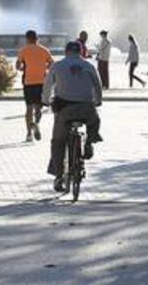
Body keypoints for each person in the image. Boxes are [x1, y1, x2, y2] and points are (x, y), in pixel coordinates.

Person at [43, 40, 103, 192]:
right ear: (81, 52)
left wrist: (45, 101)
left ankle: (58, 176)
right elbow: (98, 85)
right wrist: (98, 101)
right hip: (86, 109)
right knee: (94, 121)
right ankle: (90, 141)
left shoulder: (57, 65)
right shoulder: (89, 66)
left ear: (66, 51)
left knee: (58, 142)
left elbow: (47, 85)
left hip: (65, 110)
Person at [16, 30, 54, 142]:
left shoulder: (23, 50)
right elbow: (52, 63)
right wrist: (44, 68)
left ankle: (29, 134)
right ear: (37, 38)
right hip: (41, 82)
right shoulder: (44, 50)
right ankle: (36, 123)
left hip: (28, 83)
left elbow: (18, 66)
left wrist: (24, 68)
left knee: (28, 109)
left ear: (27, 39)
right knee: (38, 108)